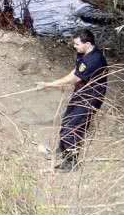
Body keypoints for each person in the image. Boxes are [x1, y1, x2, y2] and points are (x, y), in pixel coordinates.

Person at [37, 29, 108, 172]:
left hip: (90, 98)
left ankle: (71, 163)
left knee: (72, 127)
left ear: (87, 44)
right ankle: (63, 149)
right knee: (67, 120)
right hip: (81, 92)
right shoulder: (83, 53)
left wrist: (50, 84)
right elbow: (76, 71)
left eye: (76, 44)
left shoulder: (94, 59)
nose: (74, 46)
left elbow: (75, 78)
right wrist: (61, 83)